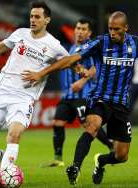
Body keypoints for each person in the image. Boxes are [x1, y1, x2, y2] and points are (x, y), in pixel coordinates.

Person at [22, 11, 138, 185]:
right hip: (99, 98)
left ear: (126, 28)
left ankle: (100, 161)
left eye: (117, 29)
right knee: (91, 127)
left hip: (120, 104)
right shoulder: (100, 42)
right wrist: (42, 73)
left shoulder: (136, 44)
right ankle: (75, 168)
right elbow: (71, 59)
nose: (113, 32)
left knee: (121, 156)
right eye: (110, 28)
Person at [0, 1, 69, 186]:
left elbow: (68, 60)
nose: (33, 19)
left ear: (47, 20)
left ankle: (3, 178)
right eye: (31, 16)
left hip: (23, 96)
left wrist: (42, 73)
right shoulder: (20, 33)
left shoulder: (53, 44)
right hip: (2, 90)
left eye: (37, 16)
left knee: (14, 133)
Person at [44, 18, 113, 168]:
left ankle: (111, 145)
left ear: (89, 33)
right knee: (57, 123)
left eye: (83, 29)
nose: (79, 31)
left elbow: (96, 67)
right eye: (78, 28)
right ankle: (58, 158)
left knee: (88, 125)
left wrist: (82, 82)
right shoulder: (73, 47)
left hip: (84, 95)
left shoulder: (92, 47)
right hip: (69, 95)